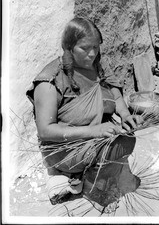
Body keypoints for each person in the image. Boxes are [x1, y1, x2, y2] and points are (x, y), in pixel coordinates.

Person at [26, 16, 142, 206]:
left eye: (95, 47)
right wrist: (93, 131)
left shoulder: (98, 66)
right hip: (64, 148)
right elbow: (45, 131)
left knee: (128, 139)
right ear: (69, 47)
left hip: (93, 134)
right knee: (116, 147)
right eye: (85, 48)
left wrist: (126, 115)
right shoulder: (50, 81)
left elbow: (116, 94)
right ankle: (88, 184)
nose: (92, 54)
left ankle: (86, 174)